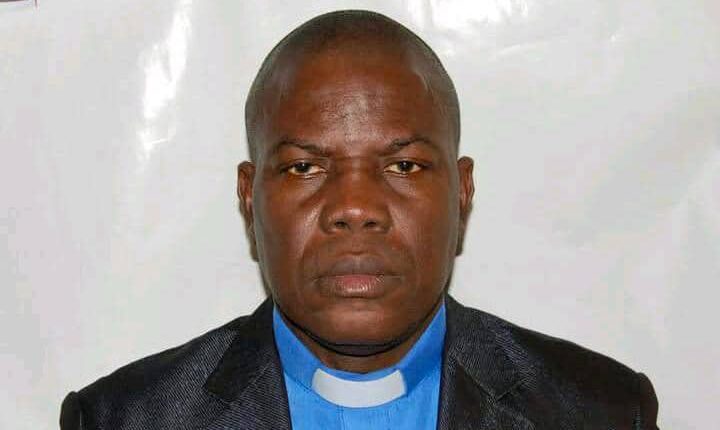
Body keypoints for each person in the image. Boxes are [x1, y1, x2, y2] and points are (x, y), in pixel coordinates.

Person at [60, 10, 659, 429]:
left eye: (403, 165)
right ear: (249, 198)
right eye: (304, 168)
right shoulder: (123, 419)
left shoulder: (601, 411)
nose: (355, 209)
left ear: (462, 193)